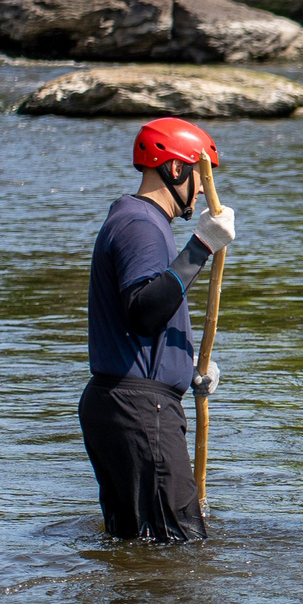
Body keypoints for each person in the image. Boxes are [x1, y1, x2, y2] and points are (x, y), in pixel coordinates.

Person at [81, 117, 237, 541]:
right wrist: (202, 245)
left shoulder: (140, 222)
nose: (204, 189)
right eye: (201, 177)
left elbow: (140, 324)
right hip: (140, 410)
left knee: (140, 549)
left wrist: (185, 367)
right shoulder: (141, 225)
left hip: (129, 403)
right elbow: (143, 311)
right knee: (183, 548)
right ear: (175, 169)